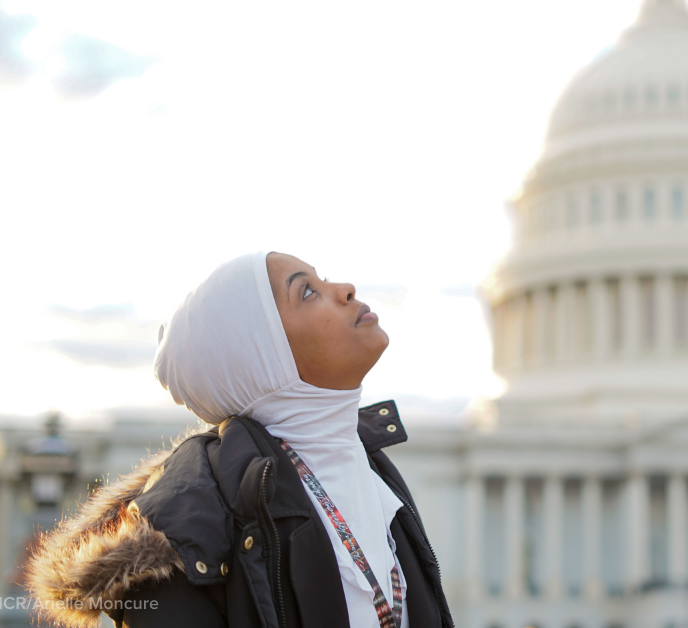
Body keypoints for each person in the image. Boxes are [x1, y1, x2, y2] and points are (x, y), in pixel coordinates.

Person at [25, 251, 453, 628]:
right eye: (307, 292)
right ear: (261, 358)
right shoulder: (184, 535)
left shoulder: (375, 474)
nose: (345, 289)